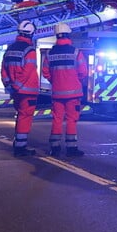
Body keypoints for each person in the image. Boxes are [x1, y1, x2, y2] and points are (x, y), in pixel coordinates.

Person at [41, 22, 88, 157]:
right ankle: (71, 148)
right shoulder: (75, 52)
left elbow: (46, 72)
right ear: (68, 35)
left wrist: (56, 82)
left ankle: (55, 148)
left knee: (57, 119)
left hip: (57, 93)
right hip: (73, 93)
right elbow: (83, 72)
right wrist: (75, 81)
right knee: (71, 119)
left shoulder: (50, 53)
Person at [1, 20, 40, 157]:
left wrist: (9, 86)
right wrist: (17, 86)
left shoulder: (10, 49)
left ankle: (18, 143)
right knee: (25, 117)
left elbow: (4, 69)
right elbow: (28, 71)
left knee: (19, 116)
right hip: (27, 91)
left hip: (15, 91)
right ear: (31, 34)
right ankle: (20, 147)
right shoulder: (29, 50)